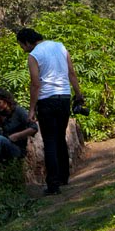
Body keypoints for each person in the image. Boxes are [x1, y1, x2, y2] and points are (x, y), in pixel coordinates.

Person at [16, 27, 85, 195]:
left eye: (22, 46)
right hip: (64, 97)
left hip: (47, 100)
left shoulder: (34, 56)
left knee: (50, 141)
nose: (23, 50)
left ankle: (53, 184)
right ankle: (63, 176)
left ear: (27, 42)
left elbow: (35, 84)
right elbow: (71, 72)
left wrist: (32, 109)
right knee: (60, 137)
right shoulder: (60, 46)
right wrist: (78, 94)